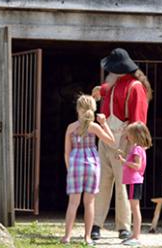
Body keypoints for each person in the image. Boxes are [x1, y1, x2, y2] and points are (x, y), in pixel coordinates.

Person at [90, 48, 152, 241]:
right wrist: (98, 90)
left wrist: (134, 146)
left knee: (123, 185)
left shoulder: (135, 87)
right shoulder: (113, 85)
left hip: (124, 141)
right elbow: (101, 91)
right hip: (105, 139)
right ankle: (96, 224)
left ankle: (124, 226)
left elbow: (138, 121)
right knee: (102, 183)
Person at [61, 95, 115, 245]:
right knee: (89, 203)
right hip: (92, 164)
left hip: (75, 165)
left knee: (73, 203)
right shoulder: (95, 127)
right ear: (93, 108)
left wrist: (69, 169)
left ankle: (67, 237)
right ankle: (87, 237)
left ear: (78, 109)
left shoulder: (71, 128)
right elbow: (111, 141)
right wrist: (104, 124)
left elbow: (66, 152)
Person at [118, 122, 152, 246]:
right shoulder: (139, 148)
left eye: (129, 135)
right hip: (134, 181)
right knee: (134, 208)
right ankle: (134, 235)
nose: (128, 137)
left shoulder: (137, 149)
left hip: (134, 181)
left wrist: (124, 162)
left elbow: (137, 166)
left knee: (135, 209)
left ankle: (136, 236)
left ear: (136, 135)